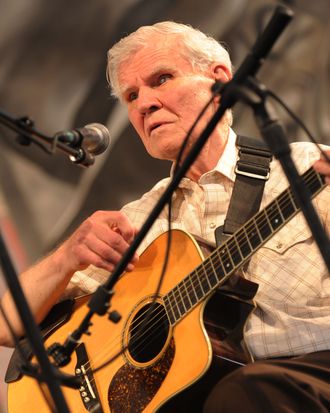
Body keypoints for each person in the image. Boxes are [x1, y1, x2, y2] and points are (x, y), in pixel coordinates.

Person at [1, 21, 330, 412]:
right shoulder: (138, 222)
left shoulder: (308, 167)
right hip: (214, 392)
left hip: (312, 372)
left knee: (243, 391)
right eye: (131, 96)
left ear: (219, 80)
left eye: (161, 79)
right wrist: (67, 255)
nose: (144, 104)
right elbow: (7, 324)